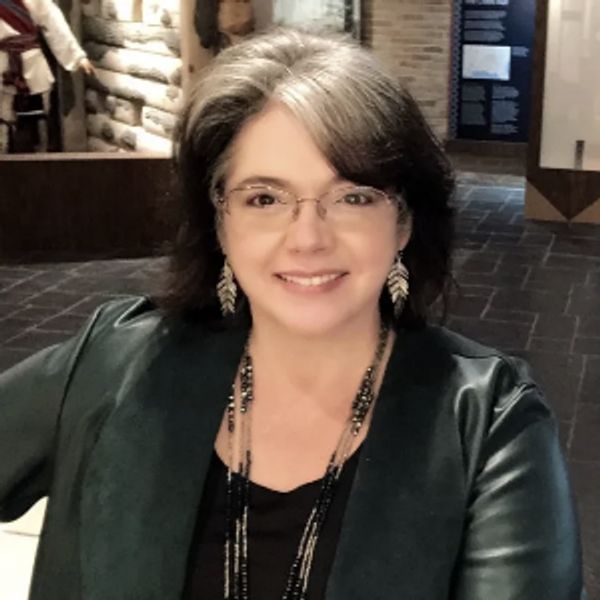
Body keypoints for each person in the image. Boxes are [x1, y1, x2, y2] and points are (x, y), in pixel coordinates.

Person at [0, 29, 585, 600]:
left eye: (353, 197)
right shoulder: (115, 361)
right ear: (219, 222)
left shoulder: (488, 424)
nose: (307, 238)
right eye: (264, 198)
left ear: (404, 221)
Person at [0, 0, 94, 153]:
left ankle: (35, 163)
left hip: (31, 66)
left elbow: (54, 22)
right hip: (2, 63)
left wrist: (77, 57)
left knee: (34, 124)